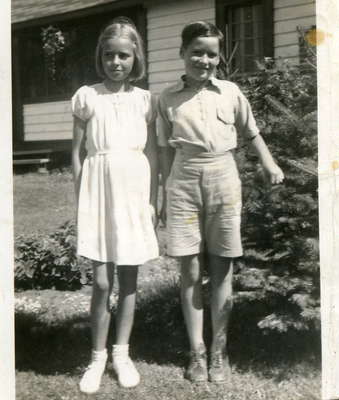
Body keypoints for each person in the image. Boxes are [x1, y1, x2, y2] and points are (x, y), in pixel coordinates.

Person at [157, 21, 284, 384]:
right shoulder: (166, 98)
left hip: (223, 177)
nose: (204, 59)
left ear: (219, 58)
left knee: (222, 266)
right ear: (182, 53)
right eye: (197, 51)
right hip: (183, 179)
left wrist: (269, 162)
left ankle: (219, 350)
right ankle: (196, 351)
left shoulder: (230, 92)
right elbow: (165, 151)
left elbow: (252, 132)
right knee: (191, 270)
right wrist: (165, 193)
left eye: (212, 53)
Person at [71, 17, 159, 394]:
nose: (116, 62)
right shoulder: (87, 96)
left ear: (134, 57)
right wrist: (81, 199)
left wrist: (153, 202)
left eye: (123, 55)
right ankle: (97, 357)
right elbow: (75, 154)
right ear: (101, 58)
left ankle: (122, 354)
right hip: (98, 194)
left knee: (128, 279)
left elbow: (154, 156)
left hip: (134, 193)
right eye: (109, 55)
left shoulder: (145, 100)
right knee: (102, 281)